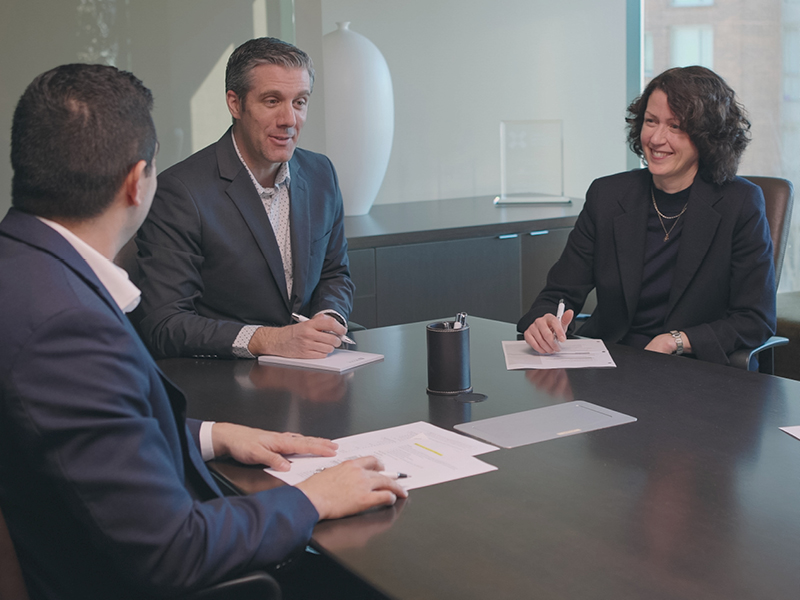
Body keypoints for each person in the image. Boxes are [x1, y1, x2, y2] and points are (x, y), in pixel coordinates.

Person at [0, 63, 405, 600]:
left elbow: (85, 432)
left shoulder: (24, 269)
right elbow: (174, 550)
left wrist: (212, 435)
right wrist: (313, 499)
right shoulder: (67, 325)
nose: (289, 118)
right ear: (135, 183)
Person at [518, 66, 776, 365]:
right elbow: (561, 292)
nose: (656, 138)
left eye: (675, 126)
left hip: (692, 371)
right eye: (651, 122)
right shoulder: (608, 195)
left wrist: (675, 341)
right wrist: (544, 319)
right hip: (611, 361)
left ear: (707, 135)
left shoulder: (740, 202)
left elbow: (754, 318)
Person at [134, 37, 354, 360]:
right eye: (271, 101)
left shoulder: (321, 174)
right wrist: (269, 340)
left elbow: (335, 274)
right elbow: (165, 323)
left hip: (316, 367)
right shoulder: (180, 192)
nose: (289, 120)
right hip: (227, 378)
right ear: (235, 104)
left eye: (300, 102)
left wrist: (329, 320)